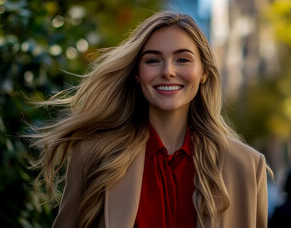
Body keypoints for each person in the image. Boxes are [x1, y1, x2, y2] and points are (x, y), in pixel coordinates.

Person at [29, 11, 270, 228]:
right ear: (136, 73)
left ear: (204, 72)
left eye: (183, 59)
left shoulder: (247, 166)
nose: (168, 71)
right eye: (153, 60)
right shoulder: (93, 155)